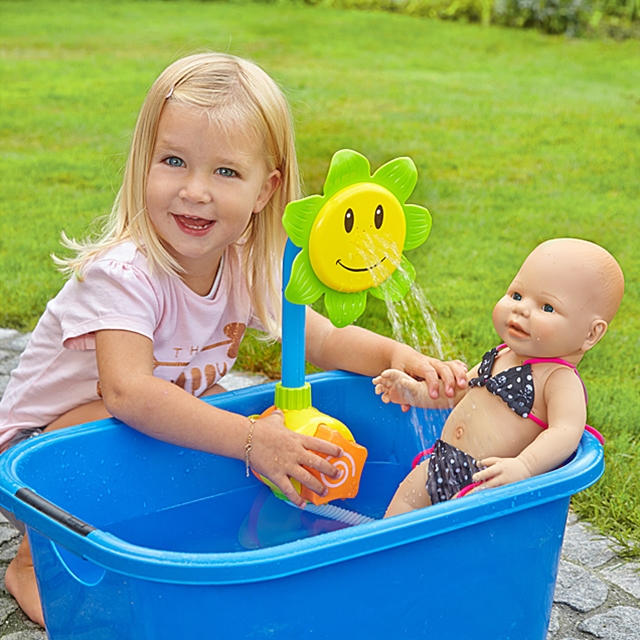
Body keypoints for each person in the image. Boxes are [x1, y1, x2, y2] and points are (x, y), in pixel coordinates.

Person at [0, 52, 467, 626]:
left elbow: (322, 339)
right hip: (38, 458)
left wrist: (399, 356)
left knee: (217, 432)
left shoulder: (244, 265)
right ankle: (33, 560)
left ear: (265, 189)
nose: (195, 191)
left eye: (225, 172)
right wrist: (252, 440)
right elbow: (127, 393)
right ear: (142, 164)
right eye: (174, 161)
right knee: (166, 421)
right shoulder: (124, 274)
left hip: (147, 433)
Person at [374, 238, 624, 518]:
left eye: (547, 307)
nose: (520, 309)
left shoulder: (558, 379)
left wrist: (524, 466)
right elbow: (457, 393)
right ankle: (385, 556)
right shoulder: (500, 354)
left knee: (453, 538)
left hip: (487, 482)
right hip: (440, 462)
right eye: (516, 295)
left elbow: (566, 432)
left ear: (591, 334)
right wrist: (414, 392)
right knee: (397, 515)